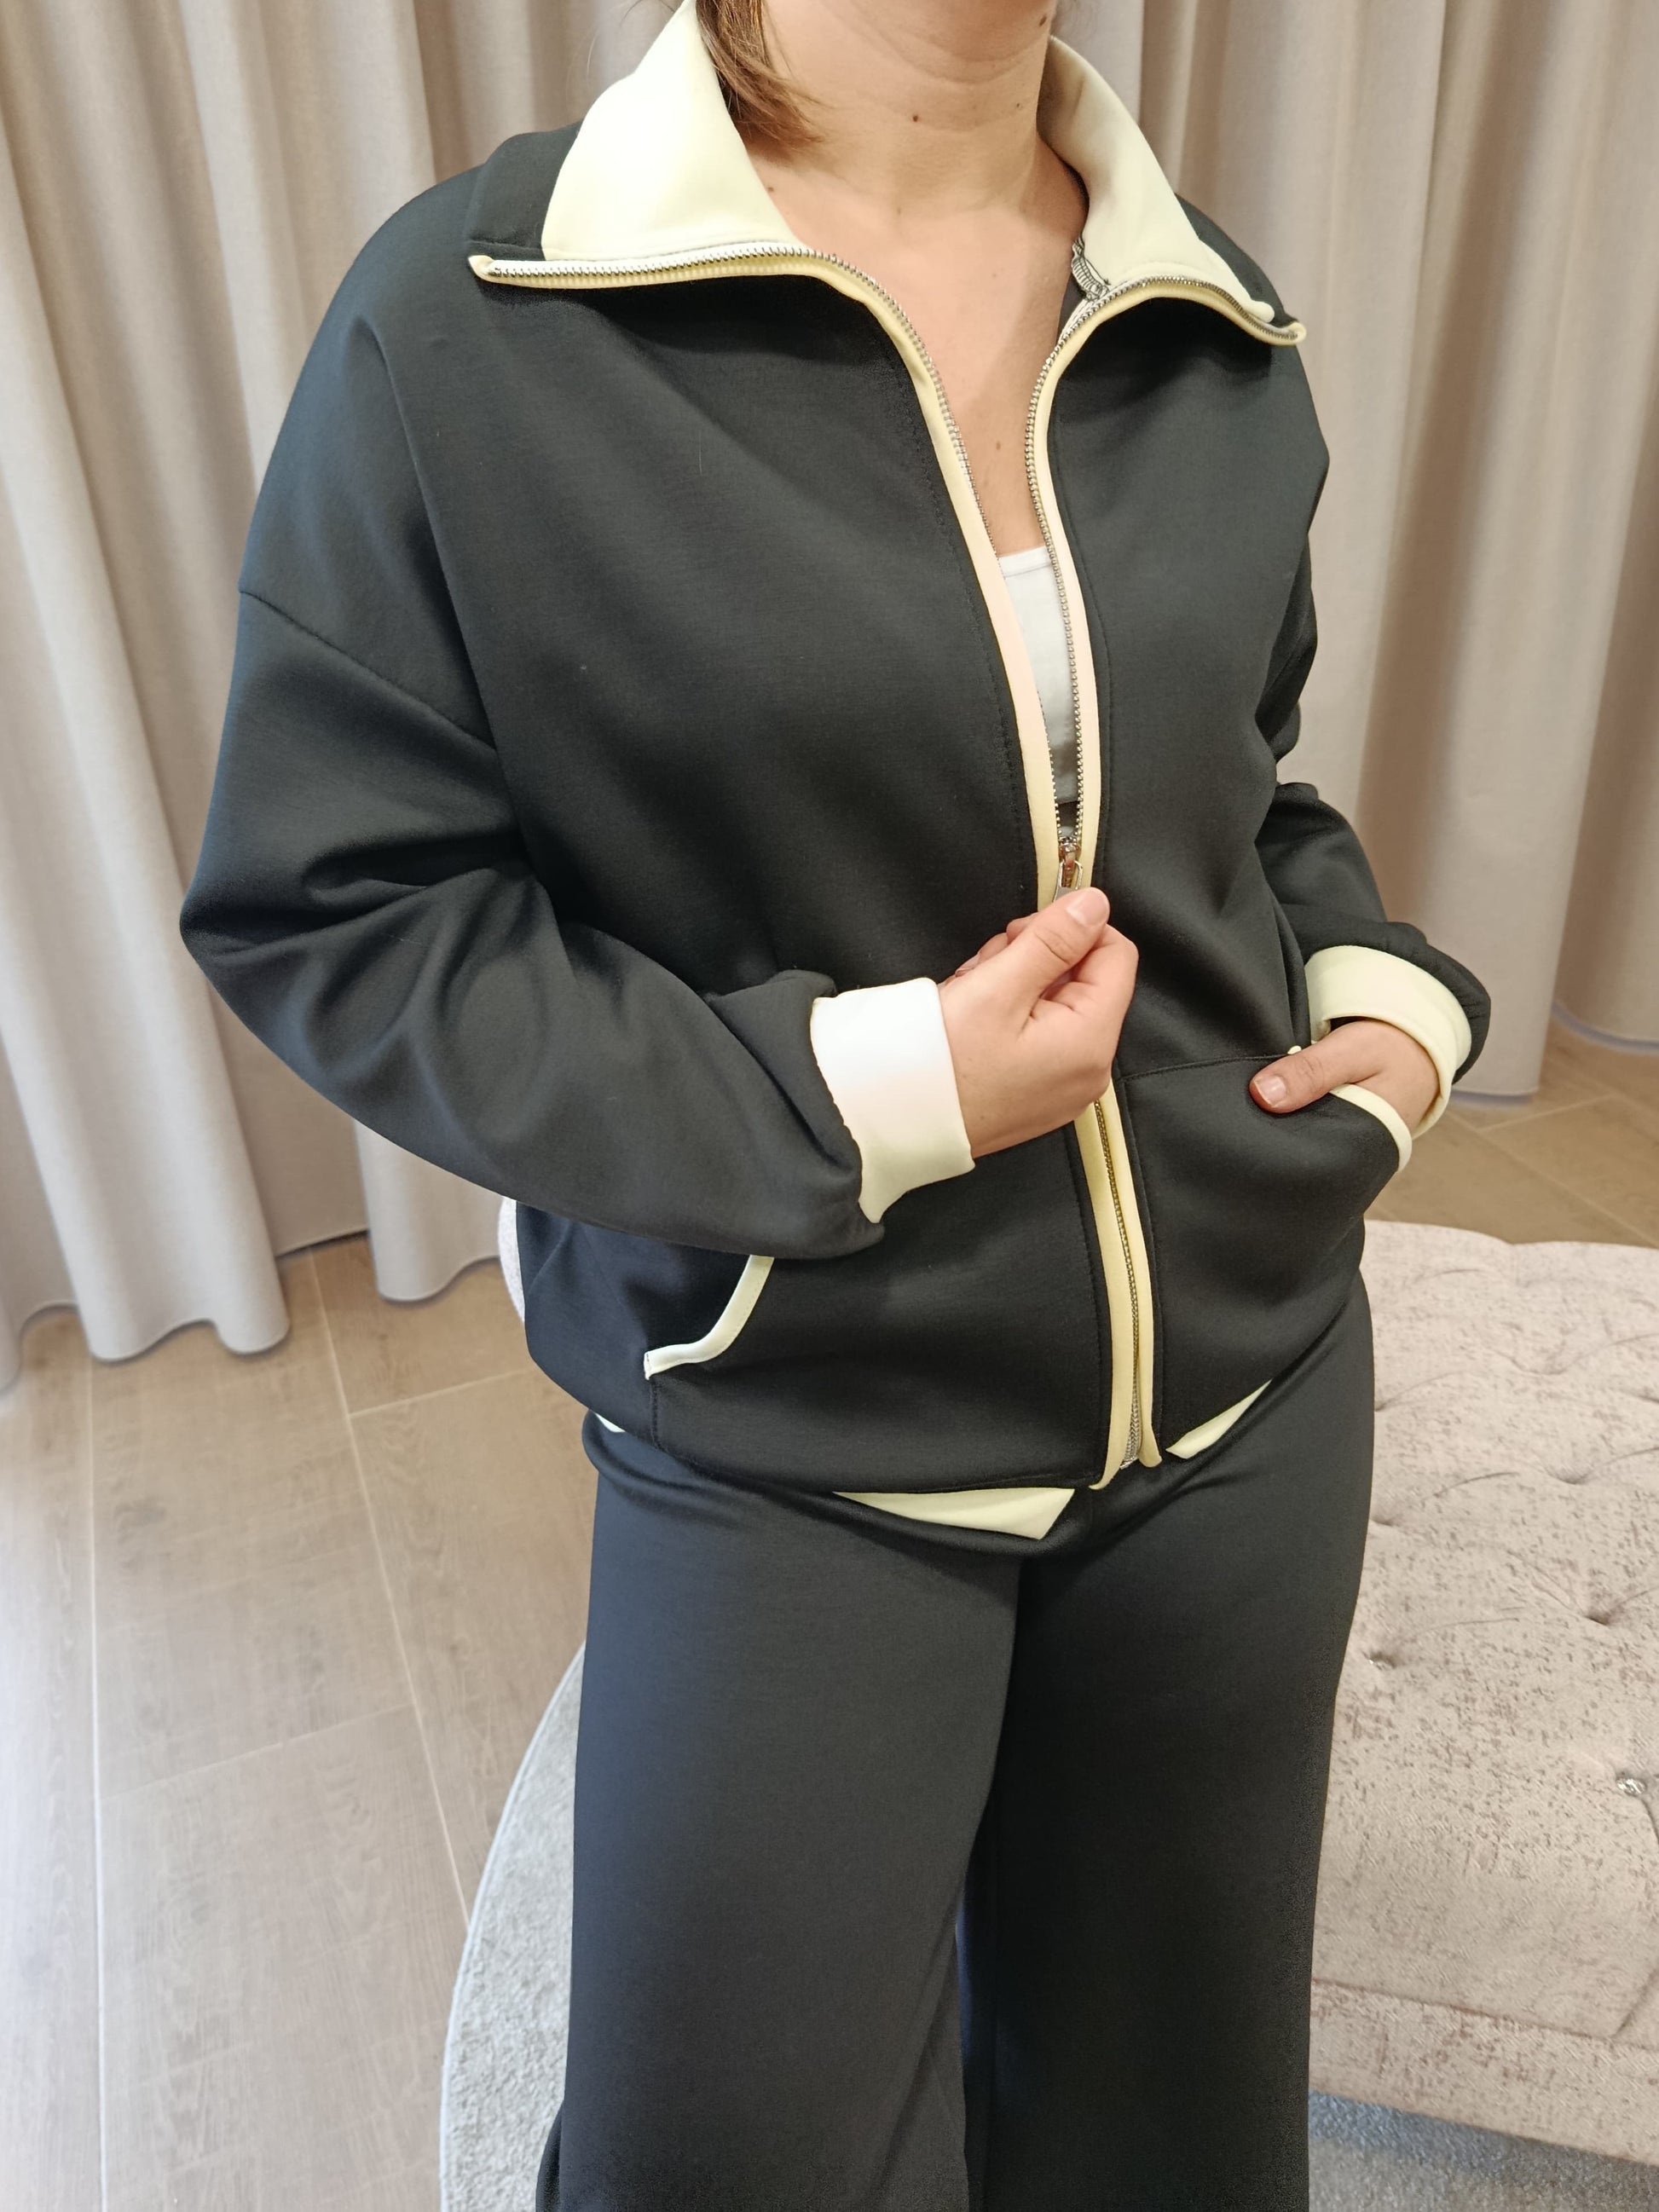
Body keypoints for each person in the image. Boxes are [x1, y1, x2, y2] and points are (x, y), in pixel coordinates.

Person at [178, 0, 1491, 2203]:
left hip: (1246, 1413)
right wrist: (874, 1087)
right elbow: (344, 915)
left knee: (1174, 2134)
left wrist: (1380, 994)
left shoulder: (1205, 317)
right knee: (720, 2156)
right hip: (794, 1424)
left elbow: (1227, 798)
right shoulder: (478, 324)